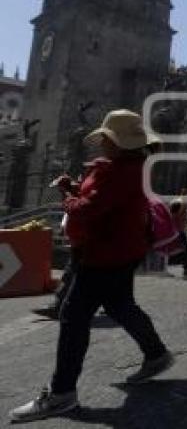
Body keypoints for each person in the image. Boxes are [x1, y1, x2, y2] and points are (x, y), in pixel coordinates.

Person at [10, 110, 174, 423]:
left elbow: (91, 209)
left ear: (115, 141)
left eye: (105, 138)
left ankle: (61, 394)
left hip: (104, 254)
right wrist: (74, 188)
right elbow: (103, 202)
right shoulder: (130, 168)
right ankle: (156, 354)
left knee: (73, 317)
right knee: (120, 305)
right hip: (120, 251)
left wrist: (67, 199)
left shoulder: (119, 171)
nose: (100, 143)